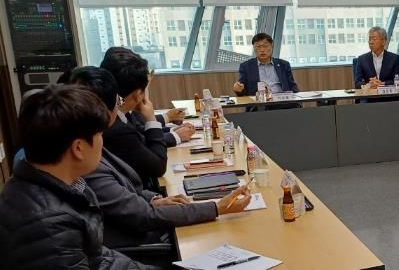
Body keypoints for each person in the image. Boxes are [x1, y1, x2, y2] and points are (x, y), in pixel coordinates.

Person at [70, 67, 251, 250]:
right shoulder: (91, 154)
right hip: (142, 244)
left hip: (144, 229)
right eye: (118, 101)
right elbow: (143, 215)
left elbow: (124, 193)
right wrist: (217, 207)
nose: (121, 105)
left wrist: (153, 199)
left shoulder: (92, 138)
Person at [0, 85, 145, 269]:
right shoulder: (48, 225)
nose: (102, 142)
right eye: (100, 134)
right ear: (78, 148)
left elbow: (96, 255)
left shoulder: (58, 184)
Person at [100, 48, 167, 189]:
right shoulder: (118, 129)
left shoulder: (115, 114)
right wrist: (151, 119)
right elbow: (158, 166)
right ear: (137, 94)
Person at [233, 33, 299, 97]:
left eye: (265, 46)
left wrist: (297, 99)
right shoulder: (246, 66)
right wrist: (239, 89)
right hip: (259, 102)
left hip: (282, 101)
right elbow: (242, 90)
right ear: (254, 48)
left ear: (272, 46)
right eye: (258, 47)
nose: (262, 50)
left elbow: (292, 86)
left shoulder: (284, 65)